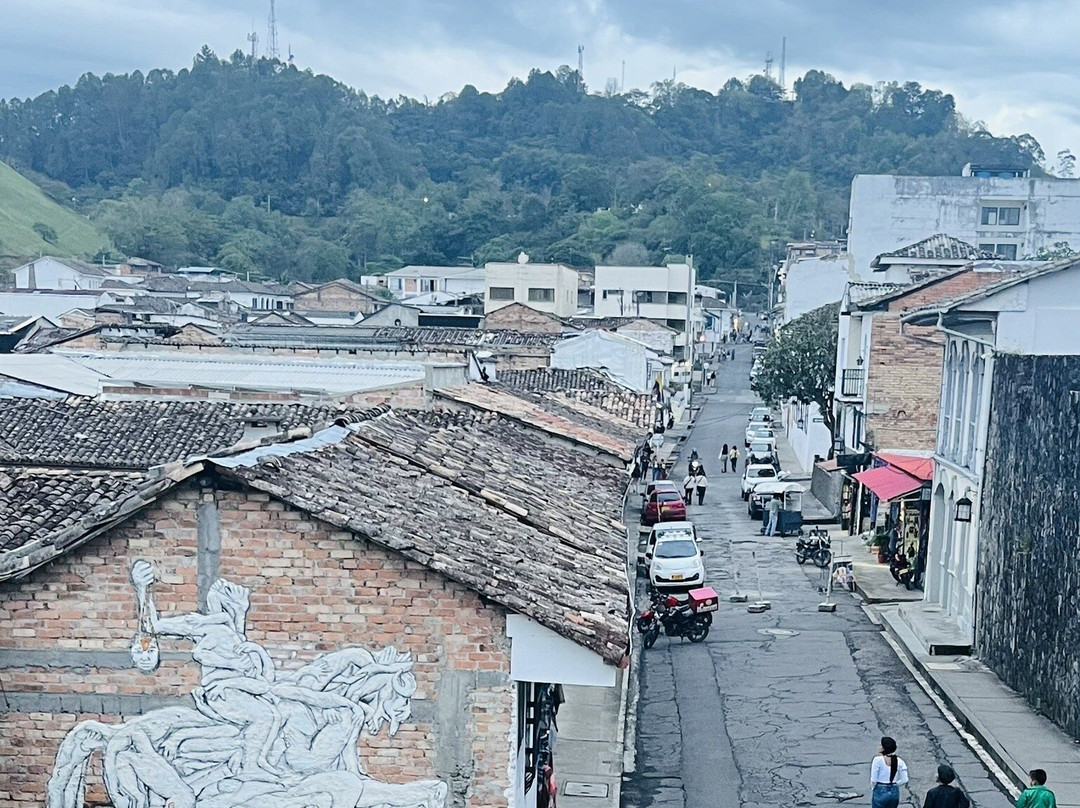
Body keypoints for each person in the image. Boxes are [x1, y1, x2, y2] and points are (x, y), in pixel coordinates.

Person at [870, 736, 908, 808]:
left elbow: (873, 780)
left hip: (880, 789)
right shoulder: (900, 761)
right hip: (894, 792)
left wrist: (874, 788)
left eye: (881, 745)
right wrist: (895, 784)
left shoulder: (877, 760)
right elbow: (905, 779)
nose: (879, 746)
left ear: (884, 748)